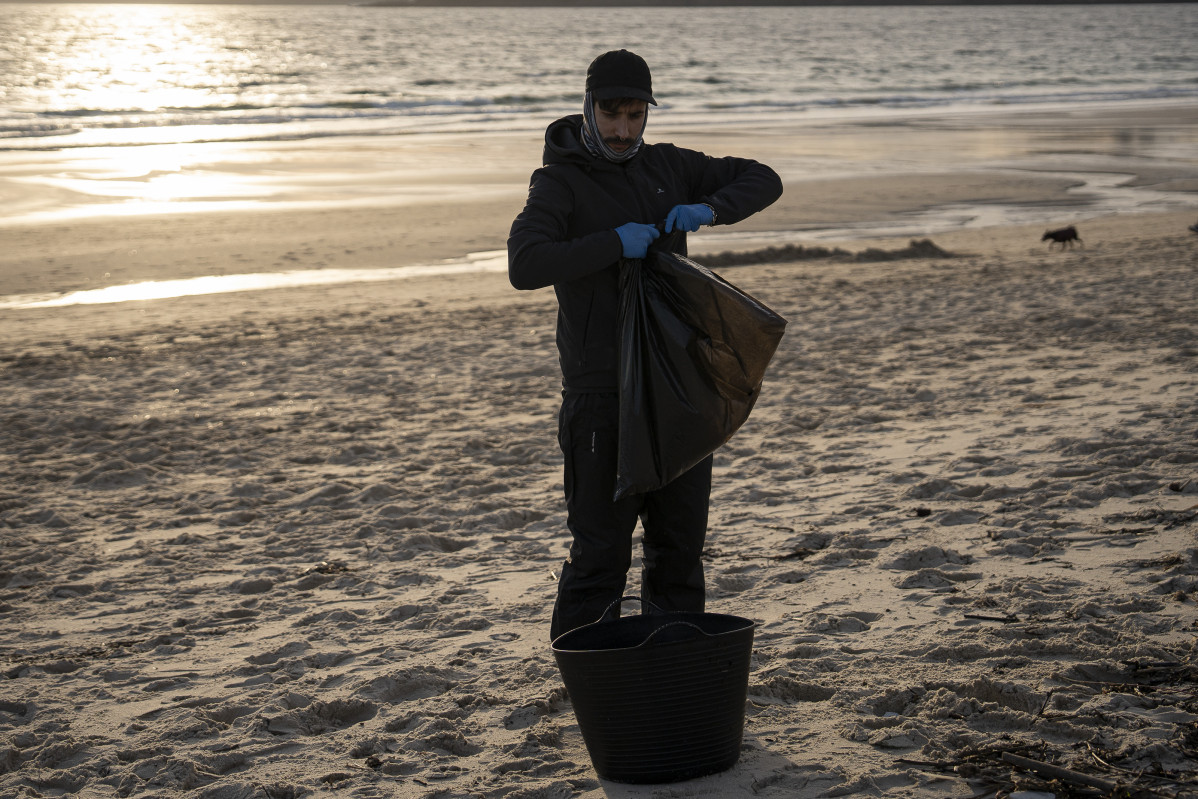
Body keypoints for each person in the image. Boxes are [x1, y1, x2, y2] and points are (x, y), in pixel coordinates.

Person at [507, 49, 783, 641]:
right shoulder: (559, 183)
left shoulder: (670, 166)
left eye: (636, 116)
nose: (623, 130)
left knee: (678, 550)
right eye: (612, 114)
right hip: (600, 396)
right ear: (589, 106)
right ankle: (587, 684)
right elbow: (524, 264)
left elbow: (764, 178)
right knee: (600, 557)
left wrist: (710, 208)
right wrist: (613, 242)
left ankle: (674, 672)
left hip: (677, 389)